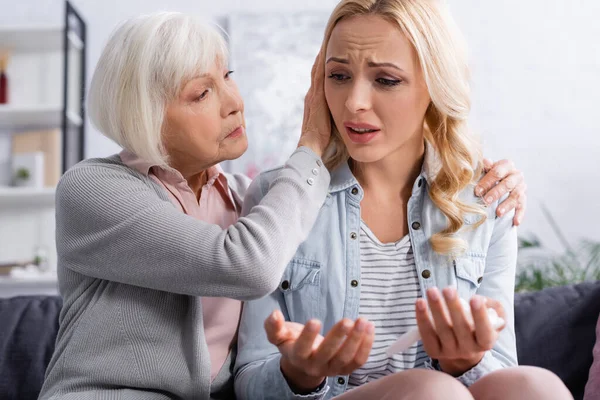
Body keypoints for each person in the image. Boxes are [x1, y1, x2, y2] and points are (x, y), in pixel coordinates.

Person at [39, 10, 527, 400]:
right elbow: (248, 262)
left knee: (533, 388)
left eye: (227, 75)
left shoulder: (235, 195)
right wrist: (312, 144)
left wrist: (481, 172)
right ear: (142, 113)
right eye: (202, 92)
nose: (234, 100)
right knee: (431, 393)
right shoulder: (93, 189)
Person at [234, 1, 572, 399]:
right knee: (432, 391)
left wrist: (466, 362)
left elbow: (500, 371)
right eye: (338, 75)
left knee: (537, 387)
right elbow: (250, 381)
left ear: (436, 85)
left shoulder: (486, 199)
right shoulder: (280, 198)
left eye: (386, 80)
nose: (354, 101)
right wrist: (299, 372)